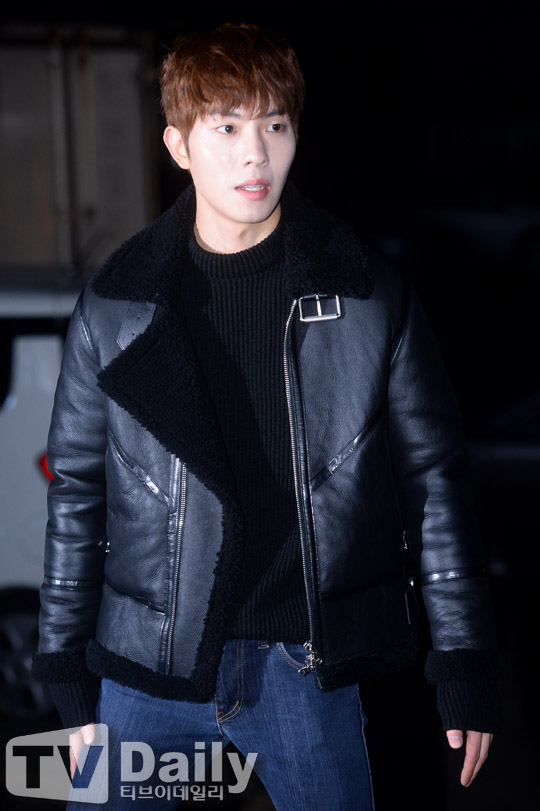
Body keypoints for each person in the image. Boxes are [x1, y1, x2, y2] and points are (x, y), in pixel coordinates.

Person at [32, 22, 503, 809]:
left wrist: (464, 660)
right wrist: (65, 671)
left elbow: (434, 485)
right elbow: (78, 493)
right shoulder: (117, 307)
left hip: (304, 672)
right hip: (149, 673)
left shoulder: (367, 299)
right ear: (179, 145)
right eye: (226, 127)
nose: (255, 154)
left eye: (274, 125)